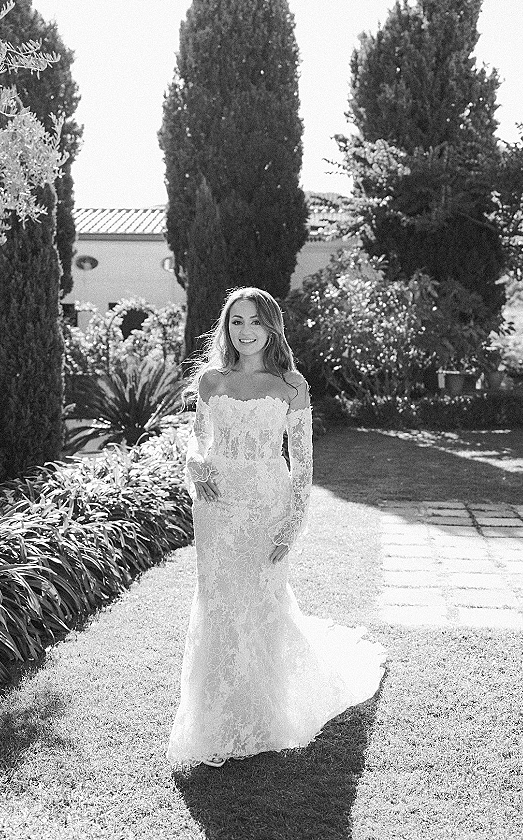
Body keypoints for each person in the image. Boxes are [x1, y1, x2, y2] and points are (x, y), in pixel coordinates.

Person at [166, 286, 387, 769]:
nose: (245, 331)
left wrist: (292, 521)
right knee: (218, 602)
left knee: (262, 600)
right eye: (236, 322)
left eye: (255, 321)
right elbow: (198, 442)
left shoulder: (291, 384)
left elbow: (303, 465)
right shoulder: (210, 381)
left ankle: (266, 715)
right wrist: (198, 465)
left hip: (267, 501)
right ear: (226, 328)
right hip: (218, 509)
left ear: (271, 327)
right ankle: (216, 716)